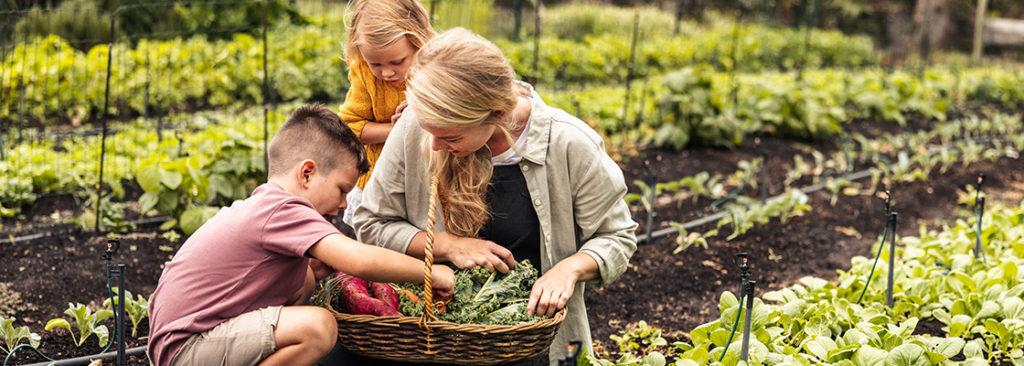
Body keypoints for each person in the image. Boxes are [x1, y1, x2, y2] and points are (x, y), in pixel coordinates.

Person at [353, 28, 637, 365]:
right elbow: (370, 221)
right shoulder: (416, 124)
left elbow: (616, 236)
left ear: (497, 115)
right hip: (433, 333)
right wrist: (448, 245)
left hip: (532, 334)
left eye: (450, 135)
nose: (432, 146)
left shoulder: (570, 145)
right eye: (429, 131)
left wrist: (569, 269)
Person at [147, 104, 455, 366]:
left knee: (305, 278)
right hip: (186, 347)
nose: (343, 204)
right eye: (342, 190)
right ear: (306, 173)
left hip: (183, 336)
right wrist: (431, 273)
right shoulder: (282, 208)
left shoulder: (264, 204)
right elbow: (359, 259)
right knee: (319, 327)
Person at [338, 0, 435, 226]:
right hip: (378, 181)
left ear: (418, 41)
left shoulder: (438, 65)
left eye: (397, 61)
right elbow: (348, 127)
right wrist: (397, 129)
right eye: (376, 64)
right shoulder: (363, 72)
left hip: (428, 180)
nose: (387, 72)